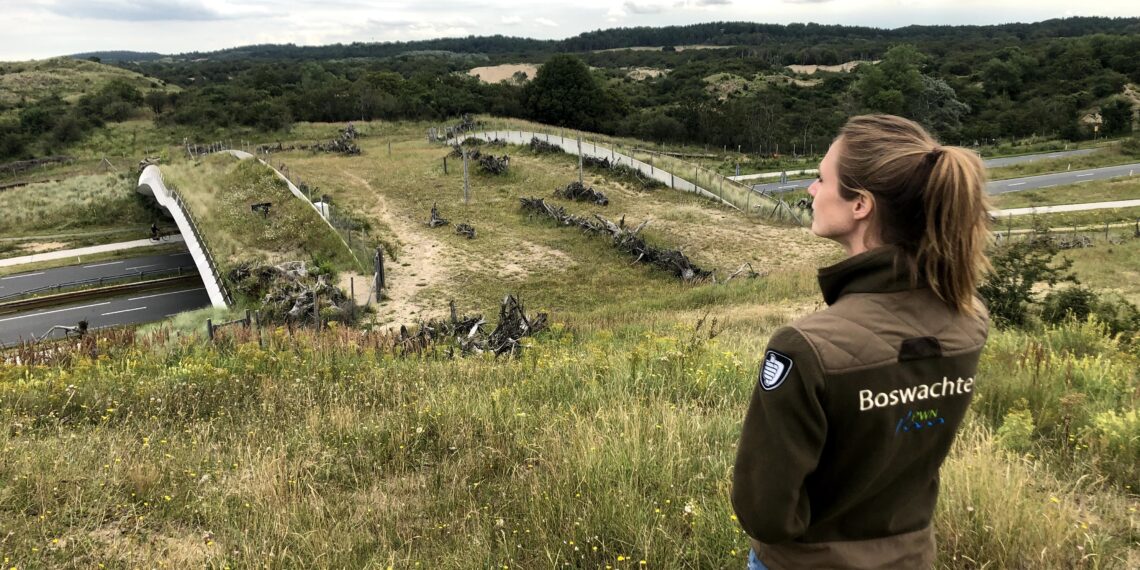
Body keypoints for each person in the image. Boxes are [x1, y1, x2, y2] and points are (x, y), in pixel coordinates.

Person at [732, 114, 992, 570]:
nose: (812, 190)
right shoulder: (968, 322)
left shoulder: (803, 349)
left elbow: (764, 512)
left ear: (861, 205)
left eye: (821, 178)